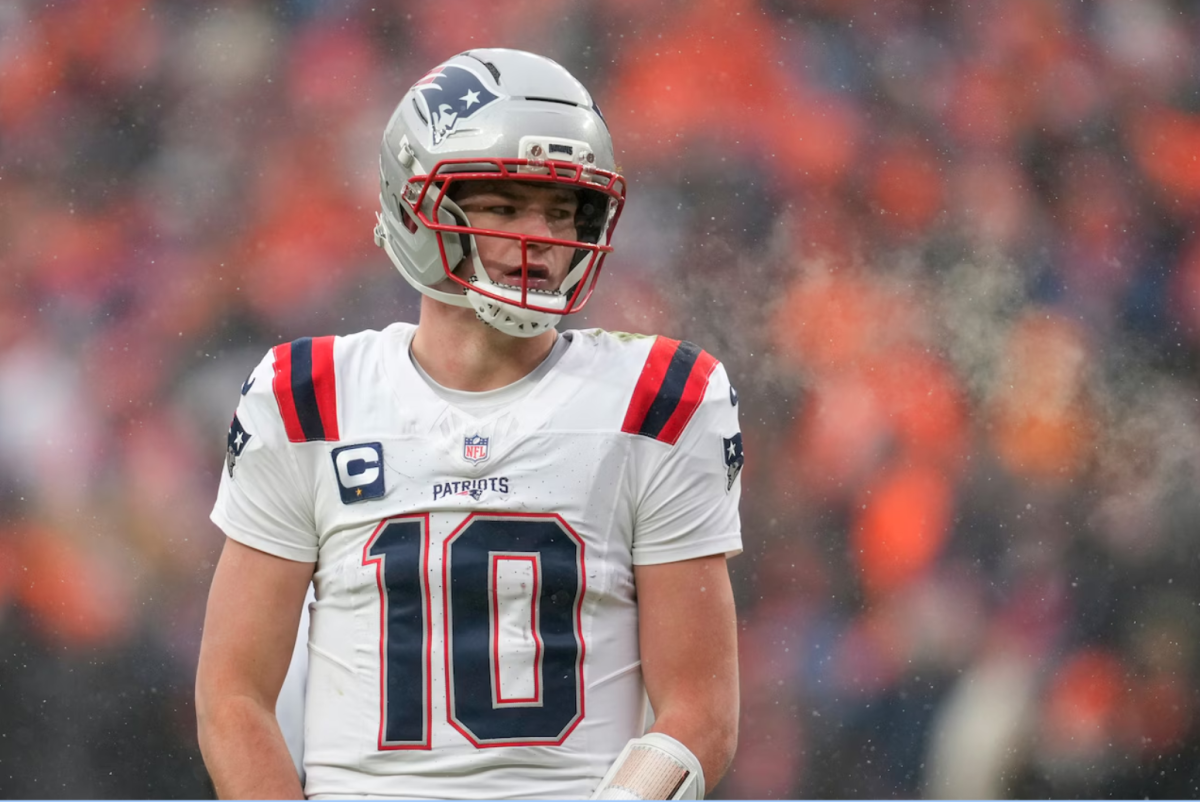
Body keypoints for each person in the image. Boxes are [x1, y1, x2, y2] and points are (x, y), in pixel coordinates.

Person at [195, 48, 743, 800]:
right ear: (417, 205)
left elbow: (701, 709)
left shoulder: (657, 399)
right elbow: (233, 698)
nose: (542, 239)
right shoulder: (307, 398)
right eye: (504, 207)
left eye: (561, 211)